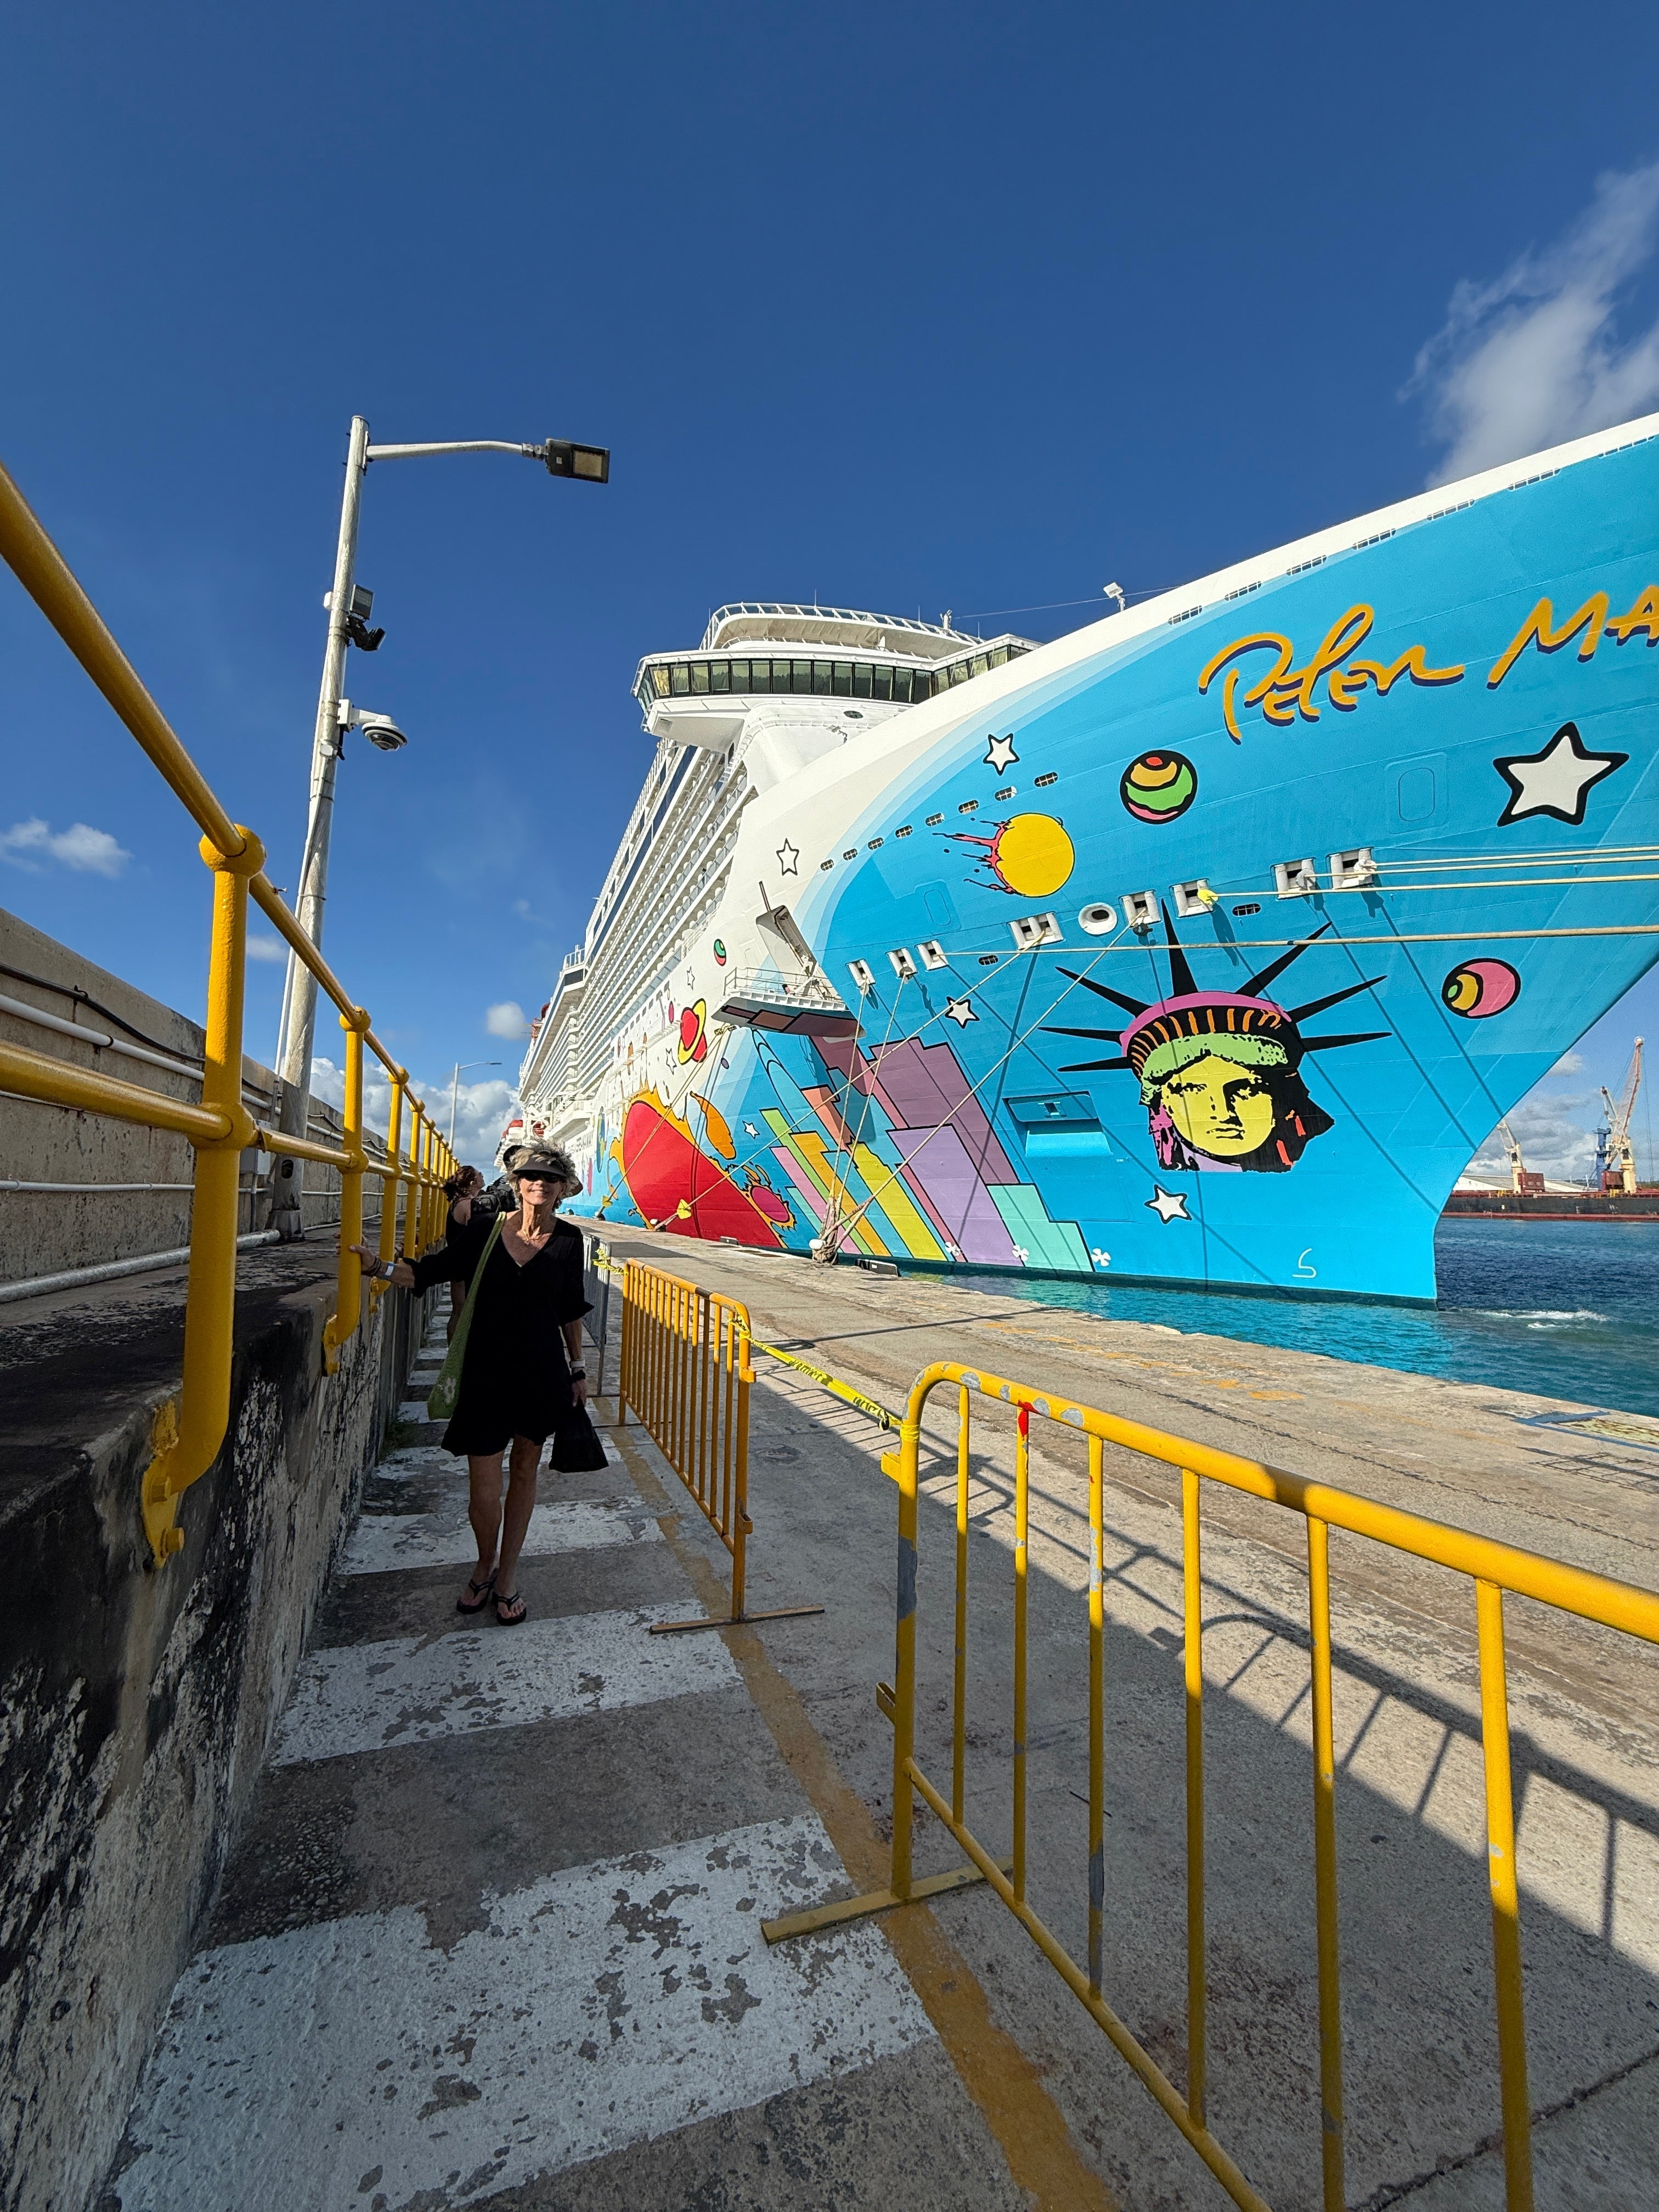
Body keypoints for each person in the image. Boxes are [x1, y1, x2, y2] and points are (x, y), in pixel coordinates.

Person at [351, 1145, 590, 1625]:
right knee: (482, 1484)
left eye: (549, 1177)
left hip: (542, 1374)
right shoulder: (485, 1230)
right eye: (529, 1175)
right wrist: (378, 1267)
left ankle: (507, 1578)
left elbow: (569, 1308)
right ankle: (485, 1563)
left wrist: (578, 1366)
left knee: (525, 1472)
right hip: (486, 1372)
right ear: (516, 1183)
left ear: (563, 1188)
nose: (538, 1183)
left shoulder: (569, 1240)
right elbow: (432, 1271)